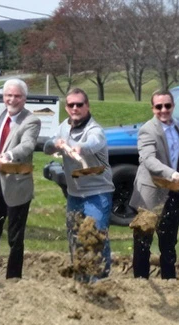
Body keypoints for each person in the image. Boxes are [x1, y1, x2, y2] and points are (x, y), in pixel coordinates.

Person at [44, 88, 114, 282]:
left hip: (98, 192)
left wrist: (80, 147)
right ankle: (80, 276)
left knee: (95, 235)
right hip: (75, 193)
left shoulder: (95, 130)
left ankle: (101, 280)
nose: (75, 108)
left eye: (79, 104)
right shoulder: (63, 127)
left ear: (87, 106)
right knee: (75, 235)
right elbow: (46, 147)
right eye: (71, 105)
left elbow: (93, 143)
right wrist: (55, 143)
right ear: (66, 108)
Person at [0, 79, 40, 279]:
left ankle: (13, 279)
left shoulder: (31, 121)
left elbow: (28, 145)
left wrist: (9, 155)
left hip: (16, 184)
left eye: (17, 96)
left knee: (15, 236)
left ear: (24, 98)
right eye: (8, 95)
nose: (12, 100)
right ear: (3, 97)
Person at [129, 90, 179, 280]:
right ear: (153, 108)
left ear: (173, 106)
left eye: (167, 106)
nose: (163, 110)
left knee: (168, 243)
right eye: (159, 106)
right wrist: (171, 173)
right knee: (143, 242)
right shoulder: (147, 130)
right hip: (150, 194)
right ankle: (140, 282)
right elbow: (148, 159)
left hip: (172, 191)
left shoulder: (176, 127)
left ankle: (170, 281)